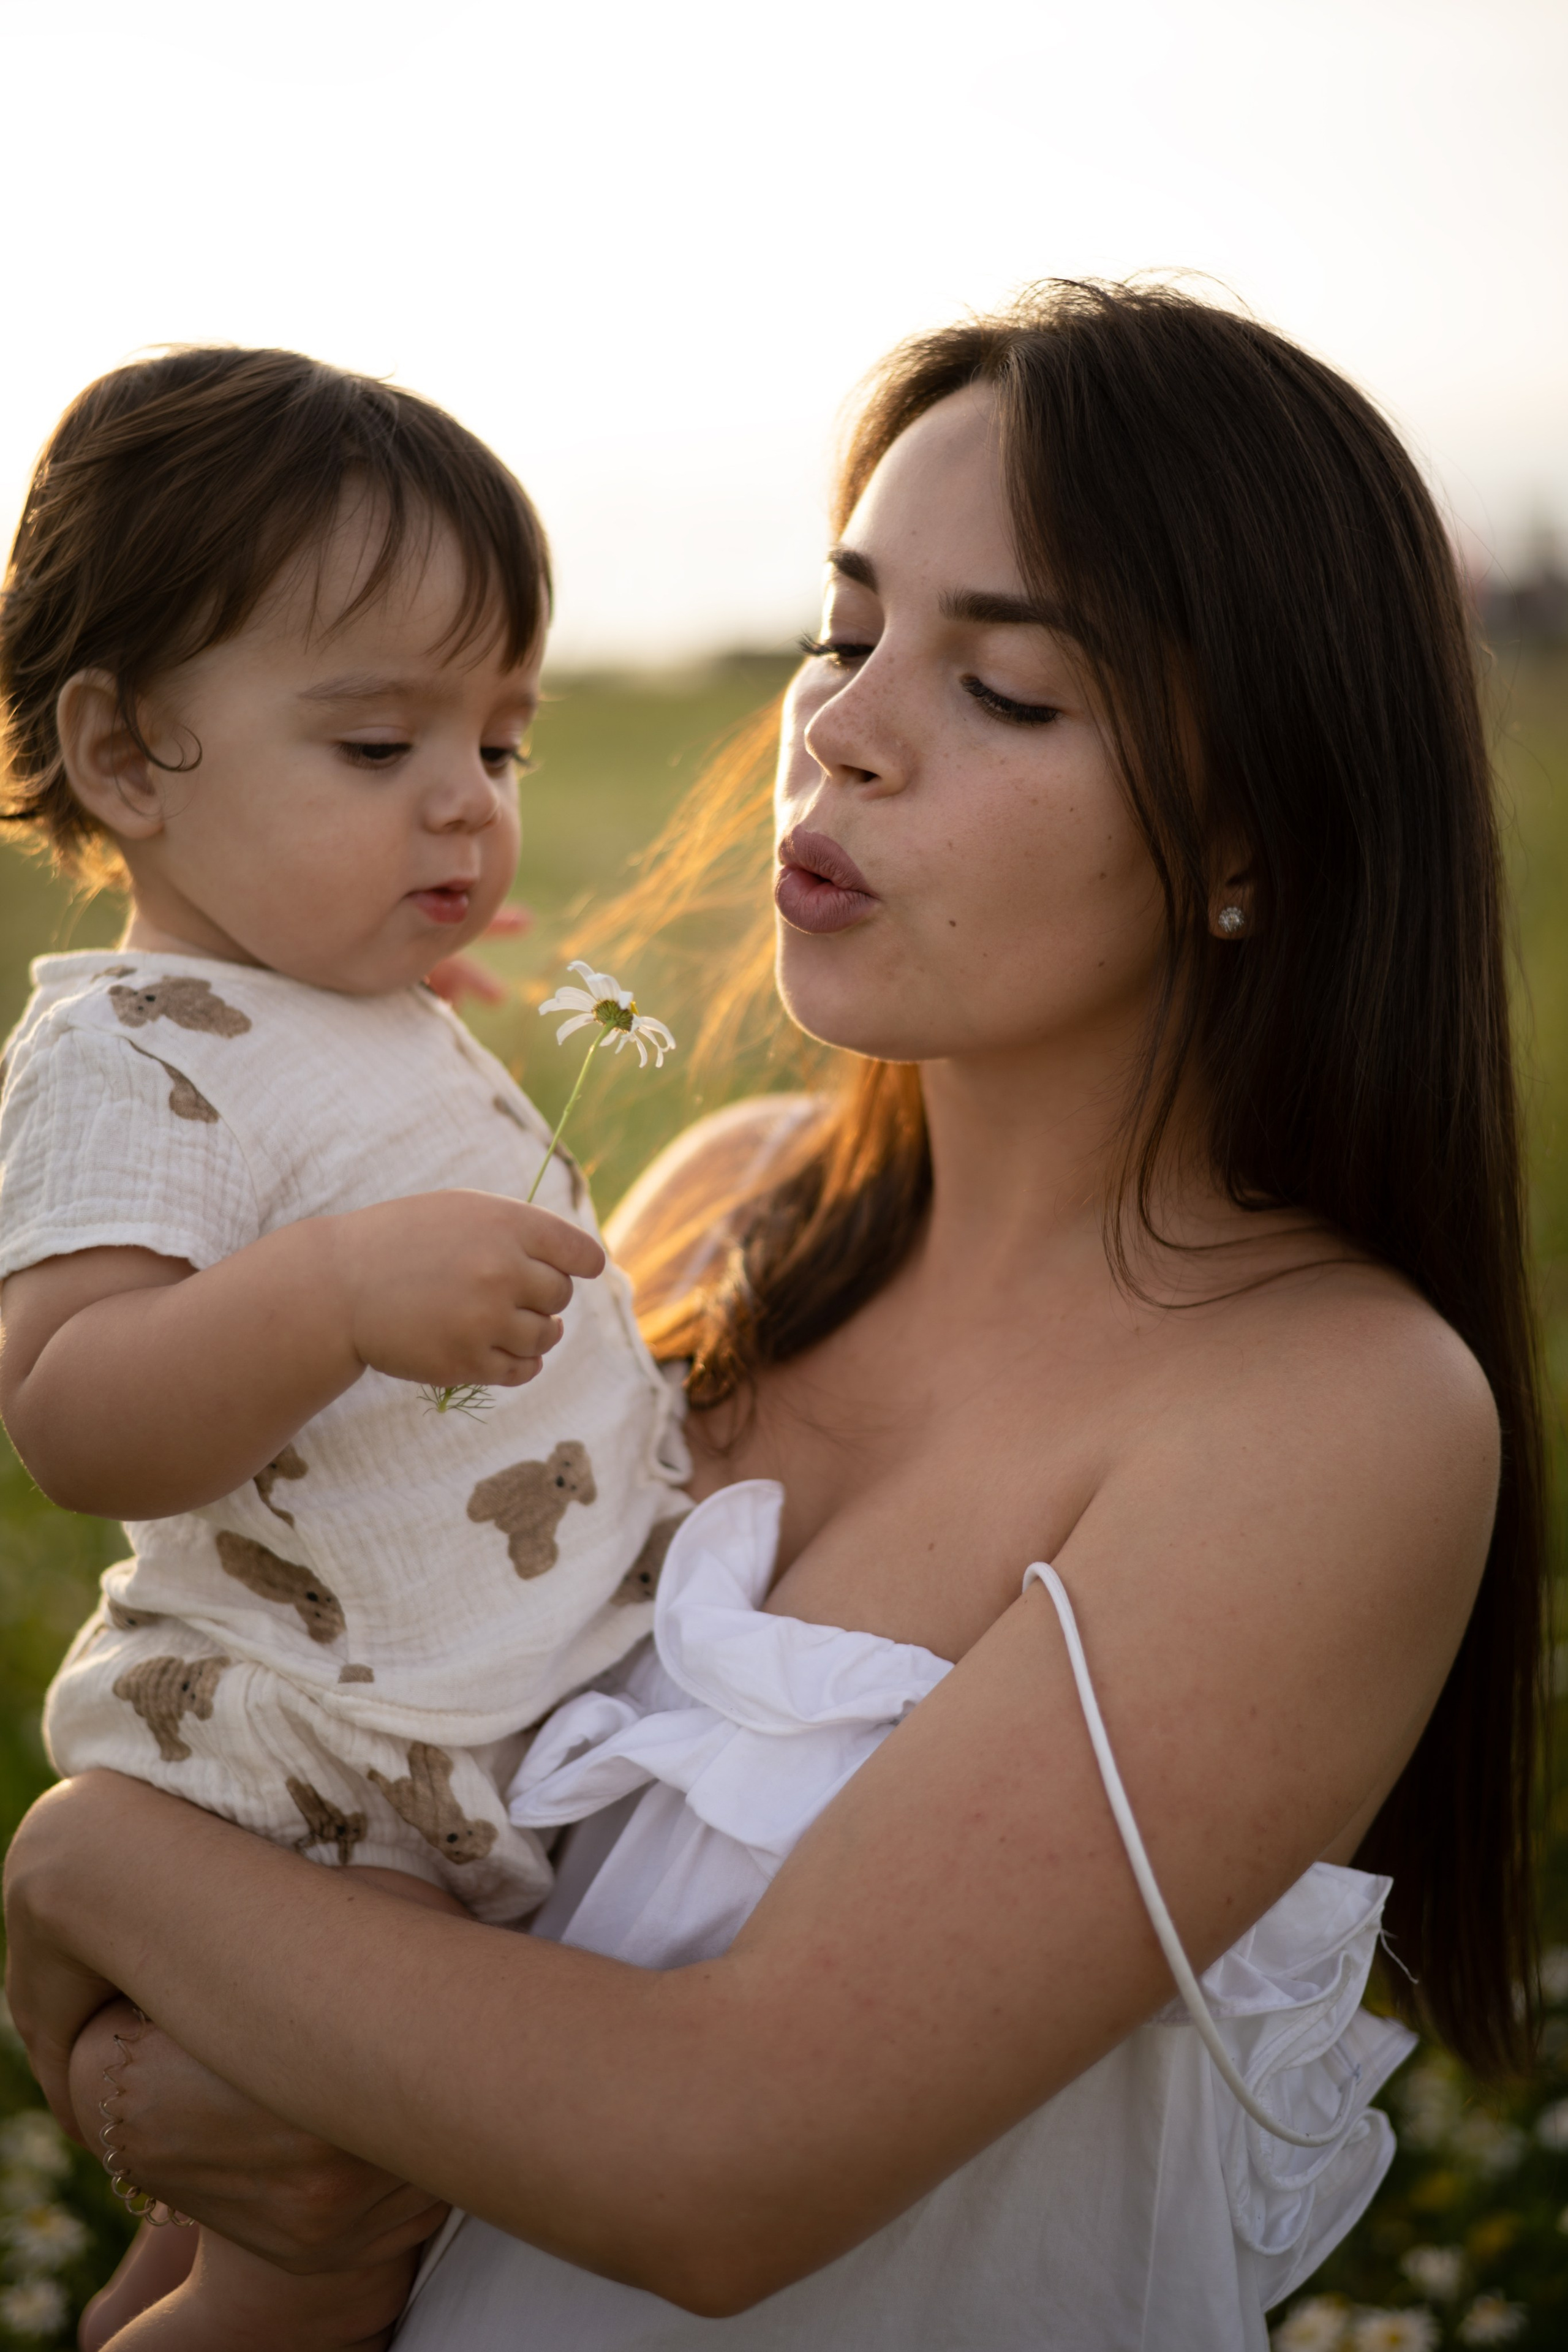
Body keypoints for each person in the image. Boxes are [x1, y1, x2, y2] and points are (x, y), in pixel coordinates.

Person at [2, 281, 1544, 2352]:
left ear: (1250, 837)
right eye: (847, 634)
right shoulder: (713, 1215)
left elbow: (715, 2173)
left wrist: (84, 1869)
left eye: (1002, 691)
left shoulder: (1335, 1412)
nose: (843, 725)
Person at [0, 349, 690, 2345]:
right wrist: (334, 1298)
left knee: (228, 2232)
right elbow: (72, 1413)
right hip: (305, 1781)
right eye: (381, 747)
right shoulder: (120, 1057)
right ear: (129, 761)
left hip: (427, 1733)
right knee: (332, 2248)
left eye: (501, 745)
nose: (466, 804)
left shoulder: (329, 995)